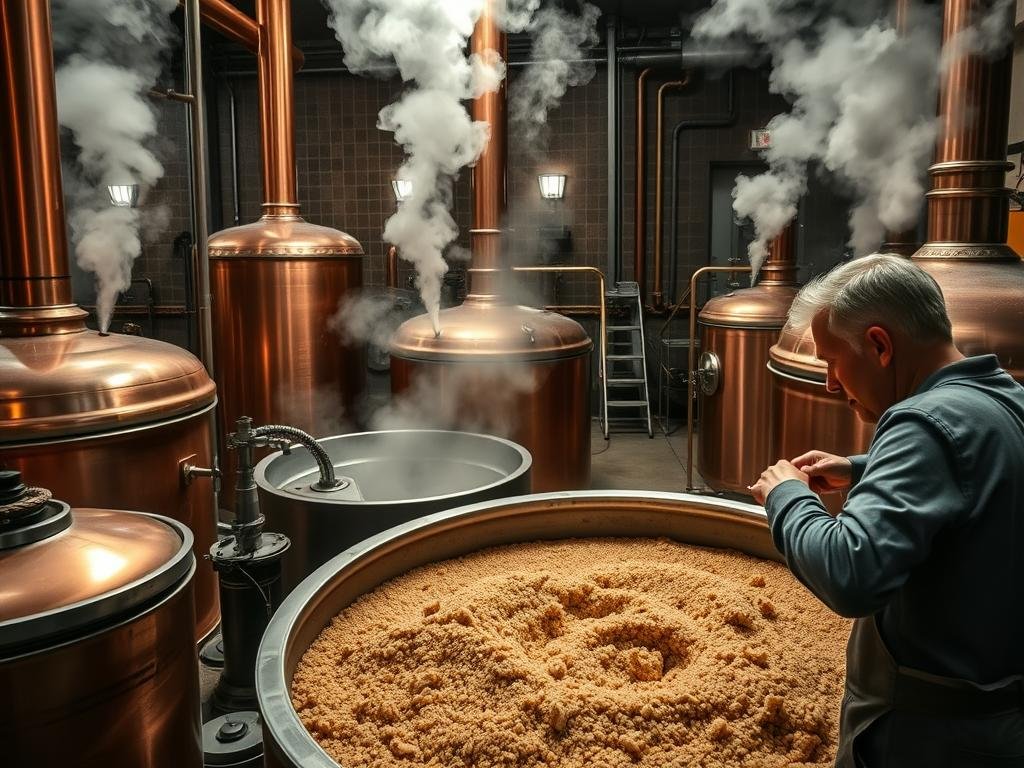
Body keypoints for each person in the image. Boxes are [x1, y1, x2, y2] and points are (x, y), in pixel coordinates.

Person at [748, 253, 1024, 767]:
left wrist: (788, 496)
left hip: (931, 739)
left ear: (879, 346)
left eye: (833, 361)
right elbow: (981, 469)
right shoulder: (1007, 398)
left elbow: (851, 573)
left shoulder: (919, 422)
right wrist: (863, 466)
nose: (831, 383)